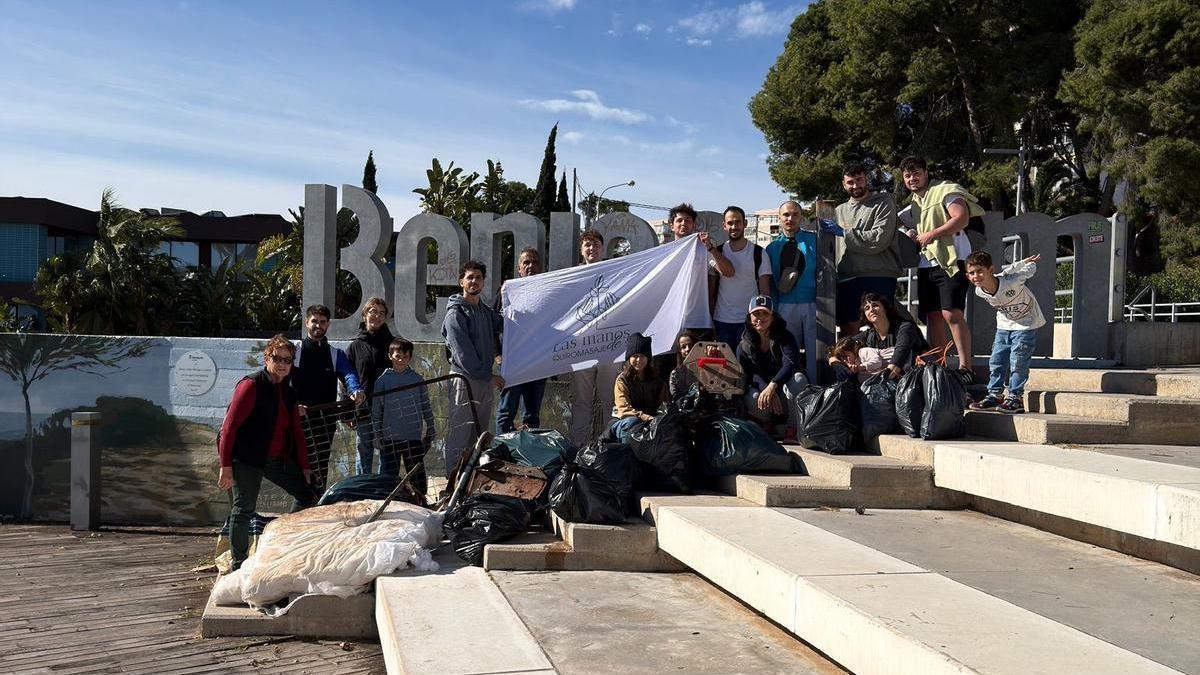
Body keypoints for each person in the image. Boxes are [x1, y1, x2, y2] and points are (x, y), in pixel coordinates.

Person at [217, 335, 313, 572]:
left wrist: (305, 466)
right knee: (243, 509)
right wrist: (225, 466)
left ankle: (280, 542)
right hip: (247, 457)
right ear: (266, 358)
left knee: (305, 494)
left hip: (276, 457)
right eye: (276, 358)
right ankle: (239, 565)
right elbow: (228, 428)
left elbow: (297, 433)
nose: (282, 364)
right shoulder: (250, 385)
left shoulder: (287, 390)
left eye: (287, 360)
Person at [900, 155, 982, 376]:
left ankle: (966, 368)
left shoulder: (947, 190)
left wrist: (931, 234)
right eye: (907, 175)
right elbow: (919, 232)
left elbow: (961, 218)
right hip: (926, 264)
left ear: (926, 172)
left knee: (951, 314)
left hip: (952, 260)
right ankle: (940, 367)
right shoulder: (913, 205)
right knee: (933, 316)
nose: (912, 178)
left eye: (916, 173)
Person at [292, 304, 364, 494]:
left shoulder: (335, 354)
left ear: (328, 325)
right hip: (298, 419)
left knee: (321, 464)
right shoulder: (295, 351)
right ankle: (300, 508)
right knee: (298, 464)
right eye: (314, 321)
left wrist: (355, 389)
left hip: (325, 420)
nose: (318, 325)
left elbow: (349, 374)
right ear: (306, 322)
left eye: (322, 322)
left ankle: (315, 507)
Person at [442, 260, 504, 477]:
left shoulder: (485, 312)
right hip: (464, 381)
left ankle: (468, 483)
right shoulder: (455, 315)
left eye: (478, 277)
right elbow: (463, 355)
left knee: (479, 435)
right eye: (470, 277)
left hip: (484, 382)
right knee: (460, 434)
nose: (474, 281)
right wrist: (490, 376)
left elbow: (507, 323)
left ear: (483, 282)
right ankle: (451, 483)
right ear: (461, 282)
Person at [965, 251, 1045, 414]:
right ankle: (995, 394)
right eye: (972, 273)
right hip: (1004, 324)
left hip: (1026, 323)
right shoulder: (979, 291)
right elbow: (1007, 270)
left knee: (1018, 360)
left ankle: (1015, 397)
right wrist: (1019, 263)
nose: (976, 276)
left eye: (980, 271)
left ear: (991, 270)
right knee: (996, 360)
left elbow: (1022, 272)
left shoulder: (1012, 282)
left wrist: (1028, 264)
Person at [835, 161, 903, 335]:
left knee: (881, 327)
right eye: (850, 182)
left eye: (859, 180)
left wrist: (845, 233)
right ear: (844, 184)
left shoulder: (884, 202)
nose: (855, 185)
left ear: (867, 179)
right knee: (849, 328)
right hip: (846, 277)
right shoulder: (837, 211)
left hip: (878, 274)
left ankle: (886, 363)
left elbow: (879, 239)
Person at [568, 230, 622, 447]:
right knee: (581, 401)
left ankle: (609, 448)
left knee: (611, 399)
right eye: (587, 245)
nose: (592, 249)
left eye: (596, 244)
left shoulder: (616, 272)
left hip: (610, 347)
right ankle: (579, 447)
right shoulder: (572, 277)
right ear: (581, 250)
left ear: (602, 248)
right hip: (582, 348)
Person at [736, 295, 808, 438]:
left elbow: (790, 365)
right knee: (750, 396)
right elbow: (750, 374)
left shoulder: (786, 336)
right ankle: (768, 423)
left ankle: (795, 428)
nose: (760, 318)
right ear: (749, 317)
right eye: (756, 314)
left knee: (799, 379)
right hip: (766, 395)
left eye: (765, 313)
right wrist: (766, 389)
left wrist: (773, 386)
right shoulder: (743, 345)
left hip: (786, 394)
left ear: (772, 316)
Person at [371, 338, 435, 496]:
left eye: (405, 357)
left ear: (410, 358)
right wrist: (377, 434)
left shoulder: (417, 379)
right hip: (390, 437)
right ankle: (387, 503)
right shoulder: (382, 381)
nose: (401, 360)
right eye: (398, 356)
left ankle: (422, 501)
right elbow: (377, 410)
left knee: (416, 475)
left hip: (413, 436)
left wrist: (431, 428)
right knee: (389, 476)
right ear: (390, 356)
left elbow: (426, 406)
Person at [495, 248, 547, 434]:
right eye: (526, 262)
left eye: (534, 262)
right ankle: (500, 451)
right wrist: (497, 354)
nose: (530, 266)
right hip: (512, 361)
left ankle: (527, 453)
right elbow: (493, 324)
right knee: (506, 411)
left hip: (537, 362)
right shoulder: (506, 291)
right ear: (519, 268)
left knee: (532, 414)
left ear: (540, 267)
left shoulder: (548, 293)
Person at [707, 206, 772, 349]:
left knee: (749, 365)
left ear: (745, 224)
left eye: (737, 222)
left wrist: (763, 321)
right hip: (721, 321)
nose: (734, 226)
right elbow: (712, 290)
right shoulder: (716, 252)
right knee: (726, 367)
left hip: (750, 321)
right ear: (724, 226)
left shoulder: (759, 253)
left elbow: (765, 292)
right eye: (730, 223)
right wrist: (710, 320)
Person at [766, 200, 818, 378]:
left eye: (795, 214)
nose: (790, 218)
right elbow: (771, 281)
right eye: (786, 214)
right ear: (779, 218)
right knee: (788, 352)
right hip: (784, 306)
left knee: (815, 352)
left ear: (801, 217)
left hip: (812, 304)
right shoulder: (772, 248)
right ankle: (791, 390)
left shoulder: (814, 241)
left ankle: (816, 388)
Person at [347, 297, 396, 474]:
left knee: (387, 452)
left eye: (381, 313)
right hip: (364, 408)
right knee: (364, 451)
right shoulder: (355, 346)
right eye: (373, 311)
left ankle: (384, 490)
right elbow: (347, 378)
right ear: (364, 315)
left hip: (388, 409)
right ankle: (362, 490)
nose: (377, 316)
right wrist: (348, 411)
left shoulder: (394, 344)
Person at [609, 333, 669, 443]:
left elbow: (663, 407)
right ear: (629, 358)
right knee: (631, 423)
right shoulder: (622, 380)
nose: (638, 360)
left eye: (642, 356)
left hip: (650, 422)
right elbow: (624, 409)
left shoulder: (658, 382)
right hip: (624, 422)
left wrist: (658, 420)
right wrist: (645, 417)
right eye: (635, 356)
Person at [856, 292, 930, 377]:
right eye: (867, 308)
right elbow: (846, 343)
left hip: (916, 377)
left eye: (875, 305)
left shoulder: (905, 327)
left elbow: (900, 354)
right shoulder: (869, 334)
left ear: (885, 308)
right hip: (891, 380)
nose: (871, 310)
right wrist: (837, 360)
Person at [668, 331, 699, 399]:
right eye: (683, 347)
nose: (687, 349)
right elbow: (675, 395)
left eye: (691, 345)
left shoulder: (706, 368)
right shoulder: (675, 373)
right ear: (680, 351)